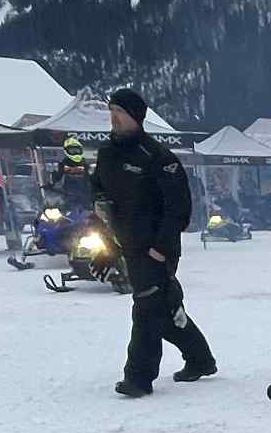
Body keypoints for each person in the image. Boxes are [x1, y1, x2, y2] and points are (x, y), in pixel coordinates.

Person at [93, 87, 216, 398]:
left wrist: (161, 248)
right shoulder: (107, 153)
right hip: (124, 241)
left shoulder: (157, 156)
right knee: (164, 308)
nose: (114, 118)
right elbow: (97, 186)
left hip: (154, 247)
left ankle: (138, 378)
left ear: (136, 116)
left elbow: (179, 207)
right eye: (111, 112)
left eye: (120, 113)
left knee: (146, 308)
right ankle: (201, 360)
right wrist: (100, 205)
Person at [57, 137, 94, 216]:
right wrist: (51, 186)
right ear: (66, 151)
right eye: (72, 150)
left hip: (86, 200)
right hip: (67, 199)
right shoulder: (63, 163)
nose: (75, 153)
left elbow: (92, 179)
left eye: (77, 150)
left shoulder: (85, 163)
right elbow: (57, 180)